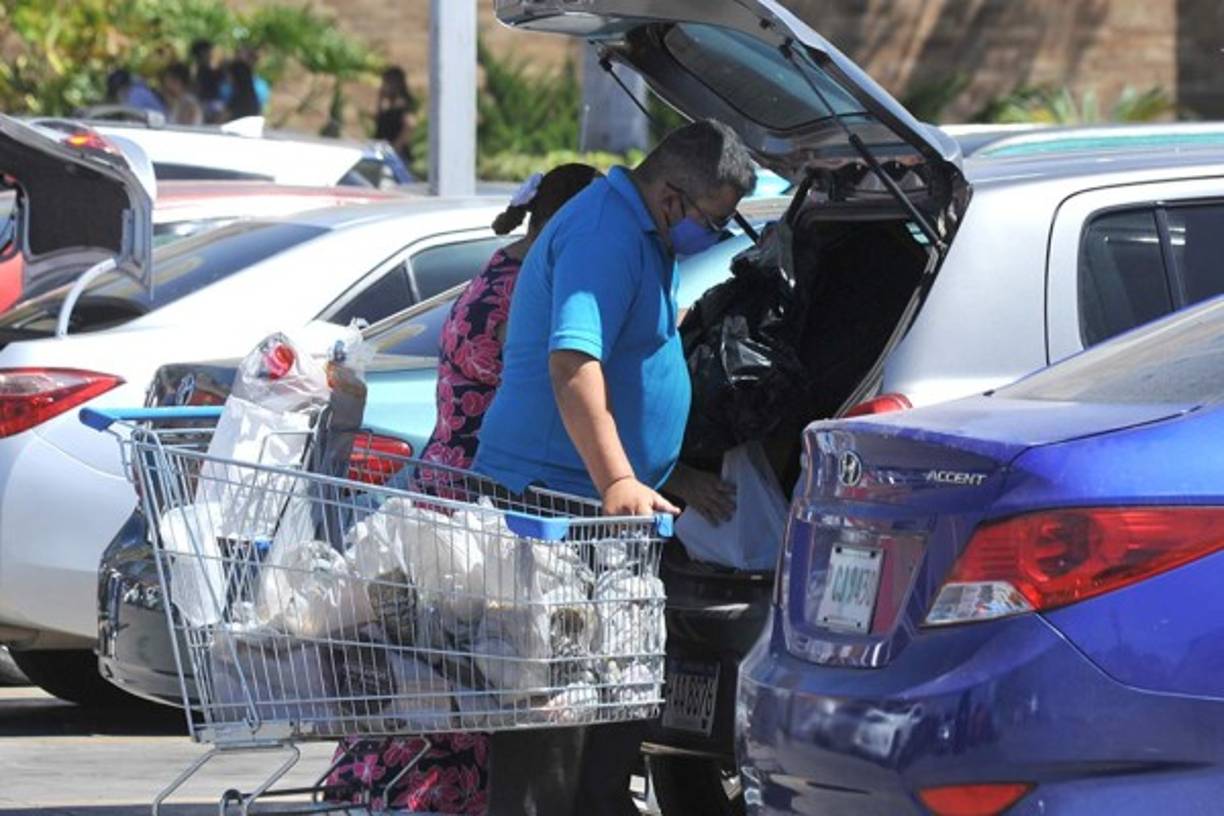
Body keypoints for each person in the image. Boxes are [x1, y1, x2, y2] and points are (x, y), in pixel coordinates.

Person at [472, 120, 755, 814]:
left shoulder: (642, 233)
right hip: (552, 510)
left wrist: (655, 475)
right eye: (713, 220)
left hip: (601, 518)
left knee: (611, 729)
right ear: (669, 197)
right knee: (550, 741)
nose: (714, 235)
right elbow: (573, 362)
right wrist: (619, 481)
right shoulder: (604, 231)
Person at [322, 163, 603, 816]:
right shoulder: (522, 295)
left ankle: (391, 789)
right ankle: (427, 800)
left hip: (447, 483)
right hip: (472, 499)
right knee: (461, 677)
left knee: (436, 667)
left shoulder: (500, 270)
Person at [374, 66, 419, 161]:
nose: (383, 86)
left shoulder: (403, 105)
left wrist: (395, 147)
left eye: (386, 82)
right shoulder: (388, 104)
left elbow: (410, 124)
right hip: (382, 150)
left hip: (396, 155)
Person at [190, 39, 224, 121]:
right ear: (202, 52)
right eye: (209, 51)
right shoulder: (200, 70)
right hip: (205, 105)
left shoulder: (200, 69)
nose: (211, 53)